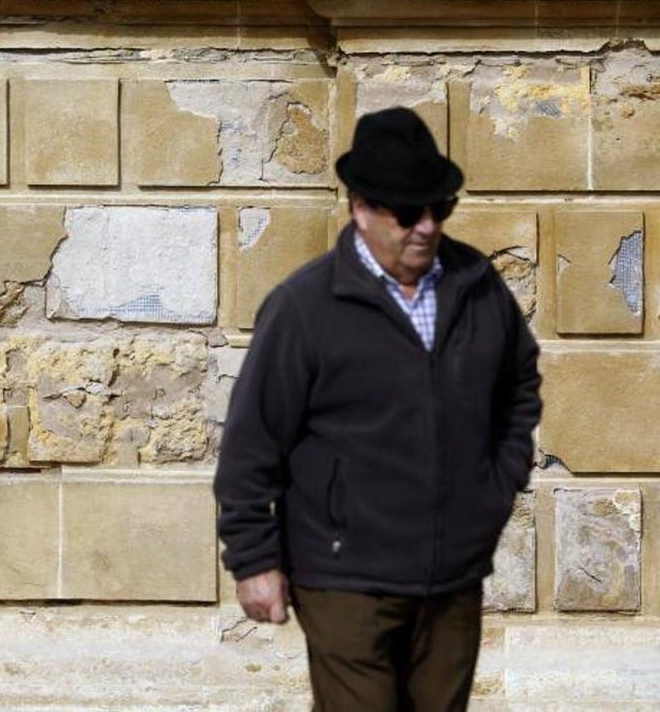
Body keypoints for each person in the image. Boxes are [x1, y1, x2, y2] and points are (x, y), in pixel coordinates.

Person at [213, 107, 542, 712]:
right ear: (360, 207)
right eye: (409, 212)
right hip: (344, 579)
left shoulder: (476, 285)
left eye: (439, 209)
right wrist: (253, 559)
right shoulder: (304, 307)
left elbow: (520, 385)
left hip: (452, 579)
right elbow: (250, 444)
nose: (426, 227)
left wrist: (495, 487)